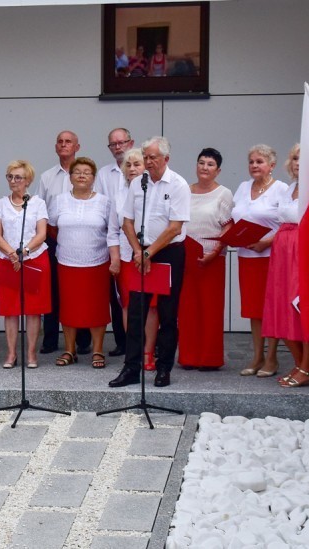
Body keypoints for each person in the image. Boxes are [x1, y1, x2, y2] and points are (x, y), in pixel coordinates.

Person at [109, 136, 191, 388]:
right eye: (146, 157)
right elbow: (127, 222)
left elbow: (175, 227)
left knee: (167, 313)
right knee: (135, 312)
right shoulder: (138, 184)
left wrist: (149, 253)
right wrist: (137, 250)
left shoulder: (178, 184)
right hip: (141, 252)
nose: (148, 162)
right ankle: (131, 368)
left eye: (153, 157)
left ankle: (163, 367)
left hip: (168, 253)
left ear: (166, 159)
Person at [263, 145, 309, 387]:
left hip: (305, 252)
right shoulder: (289, 188)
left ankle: (306, 367)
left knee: (302, 307)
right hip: (282, 253)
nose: (297, 163)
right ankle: (301, 364)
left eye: (303, 159)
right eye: (294, 158)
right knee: (281, 308)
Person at [48, 158, 115, 369]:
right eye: (77, 172)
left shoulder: (105, 202)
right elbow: (51, 228)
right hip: (67, 262)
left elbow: (111, 231)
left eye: (87, 172)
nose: (82, 176)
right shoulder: (59, 200)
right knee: (68, 307)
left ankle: (97, 350)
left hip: (97, 262)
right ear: (70, 177)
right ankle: (70, 350)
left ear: (94, 178)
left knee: (97, 307)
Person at [232, 144, 288, 377]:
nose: (254, 165)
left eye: (260, 161)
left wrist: (266, 242)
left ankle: (272, 358)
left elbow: (288, 224)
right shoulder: (243, 187)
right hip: (247, 256)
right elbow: (235, 215)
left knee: (270, 308)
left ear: (272, 165)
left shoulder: (281, 189)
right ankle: (257, 356)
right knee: (254, 310)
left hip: (270, 256)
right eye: (252, 161)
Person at [36, 130, 91, 355]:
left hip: (82, 240)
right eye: (60, 141)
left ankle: (83, 339)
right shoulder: (47, 177)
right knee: (52, 290)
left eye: (69, 142)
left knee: (79, 290)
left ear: (77, 147)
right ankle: (50, 339)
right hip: (52, 238)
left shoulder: (86, 174)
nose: (64, 145)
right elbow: (40, 210)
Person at [178, 148, 233, 369]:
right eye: (201, 163)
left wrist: (217, 250)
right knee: (187, 308)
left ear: (218, 170)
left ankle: (209, 358)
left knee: (210, 309)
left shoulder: (224, 193)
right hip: (186, 255)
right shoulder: (184, 190)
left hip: (213, 257)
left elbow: (228, 226)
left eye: (210, 164)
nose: (204, 167)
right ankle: (188, 357)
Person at [0, 160, 50, 369]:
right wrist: (11, 253)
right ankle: (10, 354)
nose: (13, 181)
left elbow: (42, 234)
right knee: (10, 310)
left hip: (34, 259)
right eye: (10, 177)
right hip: (8, 261)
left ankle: (31, 354)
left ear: (28, 181)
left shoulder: (38, 203)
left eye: (18, 177)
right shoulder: (0, 204)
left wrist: (23, 251)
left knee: (33, 309)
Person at [109, 148, 159, 370]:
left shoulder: (155, 191)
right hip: (127, 258)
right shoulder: (119, 196)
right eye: (128, 165)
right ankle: (134, 351)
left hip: (152, 256)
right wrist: (116, 258)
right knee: (128, 305)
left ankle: (149, 351)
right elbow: (112, 231)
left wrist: (147, 252)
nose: (131, 169)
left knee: (151, 306)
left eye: (136, 164)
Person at [96, 128, 135, 357]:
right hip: (114, 237)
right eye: (113, 144)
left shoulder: (143, 172)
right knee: (118, 296)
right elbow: (103, 206)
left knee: (143, 296)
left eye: (122, 142)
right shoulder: (104, 173)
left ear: (131, 142)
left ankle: (148, 343)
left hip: (141, 243)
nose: (118, 147)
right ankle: (122, 342)